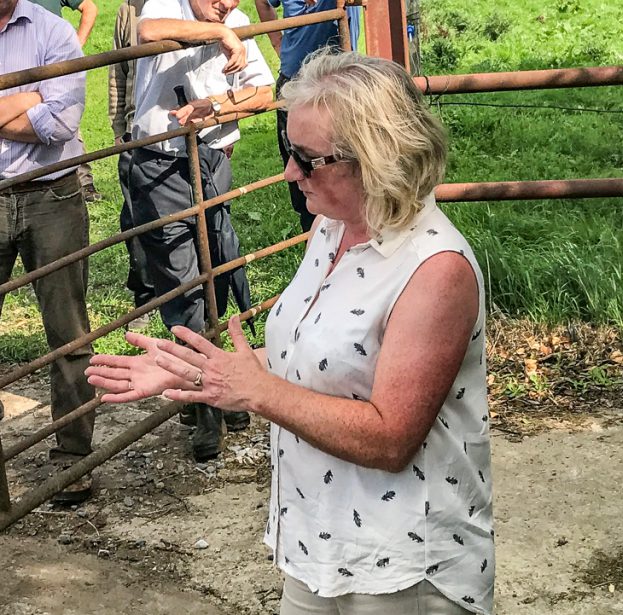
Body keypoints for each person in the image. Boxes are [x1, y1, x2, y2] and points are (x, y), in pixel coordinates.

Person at [87, 50, 495, 614]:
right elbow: (310, 355)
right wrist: (199, 370)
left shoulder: (434, 270)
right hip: (319, 543)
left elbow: (390, 438)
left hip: (405, 564)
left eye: (307, 159)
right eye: (288, 151)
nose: (288, 173)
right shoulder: (333, 227)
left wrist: (255, 392)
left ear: (376, 158)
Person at [129, 0, 275, 460]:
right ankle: (202, 401)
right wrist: (216, 34)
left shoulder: (236, 20)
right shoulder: (165, 6)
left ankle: (227, 382)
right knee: (181, 278)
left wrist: (215, 105)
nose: (226, 5)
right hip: (160, 162)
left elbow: (264, 91)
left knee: (221, 265)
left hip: (213, 157)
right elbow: (146, 30)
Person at [0, 0, 96, 504]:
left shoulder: (54, 31)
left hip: (51, 193)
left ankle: (73, 461)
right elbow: (44, 113)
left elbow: (61, 125)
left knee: (68, 331)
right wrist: (30, 97)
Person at [254, 0, 339, 232]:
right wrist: (277, 41)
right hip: (295, 78)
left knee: (343, 159)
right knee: (302, 165)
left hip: (338, 79)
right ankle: (312, 239)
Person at [108, 0, 154, 330]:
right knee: (136, 220)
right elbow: (118, 72)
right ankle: (146, 298)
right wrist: (118, 129)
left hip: (183, 128)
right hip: (135, 130)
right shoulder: (128, 9)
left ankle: (197, 293)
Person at [29, 0, 101, 203]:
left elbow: (90, 7)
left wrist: (74, 48)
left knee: (64, 121)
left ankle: (84, 181)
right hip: (21, 66)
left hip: (53, 67)